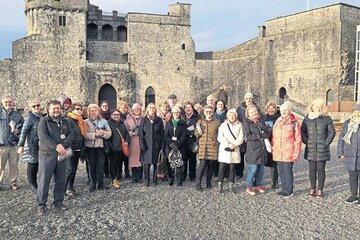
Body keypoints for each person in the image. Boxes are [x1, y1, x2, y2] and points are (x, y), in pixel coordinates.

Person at [36, 100, 74, 215]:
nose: (57, 110)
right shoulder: (43, 121)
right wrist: (57, 146)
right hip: (47, 155)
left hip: (62, 155)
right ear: (48, 110)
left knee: (60, 180)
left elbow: (71, 135)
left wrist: (63, 145)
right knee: (44, 181)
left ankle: (58, 202)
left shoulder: (65, 121)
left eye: (58, 108)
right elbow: (43, 137)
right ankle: (41, 205)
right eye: (54, 108)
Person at [301, 99, 335, 198]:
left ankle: (320, 189)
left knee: (321, 169)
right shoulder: (307, 118)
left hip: (322, 148)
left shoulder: (327, 118)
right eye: (316, 106)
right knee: (311, 170)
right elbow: (302, 131)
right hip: (310, 148)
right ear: (312, 106)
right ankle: (312, 188)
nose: (317, 108)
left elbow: (332, 132)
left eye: (320, 107)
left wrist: (326, 143)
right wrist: (306, 141)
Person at [272, 102, 302, 197]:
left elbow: (298, 139)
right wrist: (273, 147)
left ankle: (289, 190)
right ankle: (284, 188)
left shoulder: (294, 122)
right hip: (278, 150)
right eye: (282, 110)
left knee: (287, 170)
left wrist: (296, 153)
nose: (284, 112)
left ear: (289, 111)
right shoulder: (278, 121)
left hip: (289, 151)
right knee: (281, 170)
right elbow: (274, 136)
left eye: (285, 110)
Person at [243, 105, 270, 195]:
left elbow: (267, 131)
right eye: (252, 112)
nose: (254, 113)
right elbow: (248, 136)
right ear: (248, 114)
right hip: (253, 150)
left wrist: (263, 128)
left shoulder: (260, 120)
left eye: (255, 111)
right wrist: (260, 136)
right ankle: (249, 186)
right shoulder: (247, 123)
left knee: (261, 169)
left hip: (262, 149)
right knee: (253, 169)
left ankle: (258, 184)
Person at [85, 104, 112, 191]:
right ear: (88, 112)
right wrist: (95, 135)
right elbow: (84, 134)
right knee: (92, 165)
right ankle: (93, 183)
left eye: (95, 110)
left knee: (100, 165)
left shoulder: (104, 121)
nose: (94, 112)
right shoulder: (85, 122)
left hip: (101, 146)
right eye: (92, 111)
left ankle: (101, 183)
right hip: (91, 147)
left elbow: (109, 133)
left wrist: (103, 134)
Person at [337, 103, 360, 204]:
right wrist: (340, 152)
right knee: (352, 176)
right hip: (350, 154)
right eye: (355, 112)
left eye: (358, 112)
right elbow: (341, 139)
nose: (357, 114)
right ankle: (353, 195)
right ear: (352, 113)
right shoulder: (347, 123)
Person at [17, 99, 42, 191]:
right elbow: (23, 132)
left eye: (38, 105)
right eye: (34, 106)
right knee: (32, 163)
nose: (36, 107)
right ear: (30, 108)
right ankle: (32, 183)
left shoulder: (41, 117)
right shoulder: (29, 118)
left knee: (38, 163)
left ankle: (36, 181)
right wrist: (21, 145)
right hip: (32, 144)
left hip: (40, 145)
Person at [217, 109, 244, 193]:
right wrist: (228, 143)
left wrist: (234, 144)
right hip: (225, 148)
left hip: (234, 149)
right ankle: (220, 185)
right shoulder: (223, 125)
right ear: (228, 116)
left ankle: (231, 185)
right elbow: (220, 137)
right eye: (230, 115)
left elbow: (241, 137)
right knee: (222, 167)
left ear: (236, 116)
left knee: (232, 168)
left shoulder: (240, 125)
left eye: (233, 115)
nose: (232, 117)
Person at [194, 105, 221, 191]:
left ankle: (208, 182)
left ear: (213, 112)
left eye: (210, 111)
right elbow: (196, 135)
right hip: (203, 147)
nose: (208, 113)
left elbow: (220, 135)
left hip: (213, 147)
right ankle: (198, 184)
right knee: (202, 166)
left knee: (211, 167)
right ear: (204, 112)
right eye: (207, 112)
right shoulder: (200, 122)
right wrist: (199, 130)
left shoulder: (217, 122)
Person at [0, 96, 24, 191]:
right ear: (2, 102)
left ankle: (13, 182)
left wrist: (18, 131)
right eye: (6, 102)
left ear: (13, 103)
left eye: (10, 102)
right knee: (0, 166)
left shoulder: (18, 116)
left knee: (14, 165)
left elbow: (23, 129)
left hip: (14, 145)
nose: (8, 103)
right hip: (1, 145)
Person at [139, 103, 164, 186]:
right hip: (146, 145)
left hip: (156, 145)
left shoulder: (159, 120)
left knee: (156, 164)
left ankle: (154, 180)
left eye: (153, 108)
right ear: (147, 109)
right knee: (146, 165)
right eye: (150, 108)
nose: (152, 109)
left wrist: (162, 145)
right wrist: (142, 145)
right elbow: (141, 134)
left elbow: (162, 133)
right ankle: (146, 180)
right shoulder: (143, 120)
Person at [65, 103, 86, 196]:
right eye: (77, 109)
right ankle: (63, 190)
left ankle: (70, 187)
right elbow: (67, 134)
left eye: (80, 109)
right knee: (69, 170)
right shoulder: (69, 120)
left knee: (74, 169)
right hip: (71, 148)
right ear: (72, 110)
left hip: (78, 148)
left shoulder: (80, 121)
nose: (79, 110)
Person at [165, 105, 187, 186]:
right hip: (170, 146)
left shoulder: (183, 123)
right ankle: (171, 178)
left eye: (177, 112)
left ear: (179, 113)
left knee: (179, 163)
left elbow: (184, 135)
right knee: (170, 162)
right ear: (172, 113)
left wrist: (177, 145)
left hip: (180, 146)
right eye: (174, 112)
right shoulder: (168, 123)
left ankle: (179, 179)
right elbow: (166, 136)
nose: (176, 114)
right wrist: (171, 144)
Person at [108, 109, 130, 189]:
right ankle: (113, 180)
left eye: (118, 114)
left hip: (121, 148)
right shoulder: (109, 124)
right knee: (113, 165)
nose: (116, 116)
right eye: (115, 114)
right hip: (113, 148)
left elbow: (126, 134)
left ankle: (116, 179)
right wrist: (110, 146)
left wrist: (127, 141)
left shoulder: (121, 123)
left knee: (117, 165)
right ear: (111, 115)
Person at [263, 101, 281, 189]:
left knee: (273, 163)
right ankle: (258, 182)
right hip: (265, 141)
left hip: (274, 141)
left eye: (273, 108)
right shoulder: (263, 117)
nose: (271, 109)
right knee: (261, 162)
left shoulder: (278, 118)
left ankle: (275, 181)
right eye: (269, 108)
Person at [125, 103, 143, 183]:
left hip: (141, 141)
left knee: (141, 159)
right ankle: (134, 176)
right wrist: (129, 133)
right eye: (135, 109)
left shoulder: (143, 118)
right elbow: (125, 130)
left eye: (138, 109)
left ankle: (139, 177)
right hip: (132, 141)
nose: (136, 110)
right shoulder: (128, 118)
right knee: (133, 159)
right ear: (133, 110)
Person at [183, 101, 200, 182]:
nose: (188, 109)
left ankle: (192, 176)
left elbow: (197, 128)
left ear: (192, 108)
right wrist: (189, 129)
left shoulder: (197, 117)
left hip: (192, 141)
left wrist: (187, 129)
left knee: (192, 160)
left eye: (189, 107)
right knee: (184, 159)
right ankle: (183, 175)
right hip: (183, 142)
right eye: (186, 107)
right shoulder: (182, 117)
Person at [213, 100, 228, 179]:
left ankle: (225, 174)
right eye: (219, 104)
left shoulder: (228, 114)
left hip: (226, 138)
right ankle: (216, 174)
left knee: (226, 156)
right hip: (216, 138)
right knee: (216, 156)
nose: (220, 106)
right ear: (216, 105)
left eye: (222, 104)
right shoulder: (213, 115)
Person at [118, 101, 131, 179]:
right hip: (119, 139)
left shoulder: (129, 117)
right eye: (122, 107)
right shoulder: (117, 116)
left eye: (125, 107)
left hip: (127, 138)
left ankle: (127, 172)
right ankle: (119, 173)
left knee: (127, 157)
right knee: (119, 158)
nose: (123, 109)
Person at [99, 100, 111, 178]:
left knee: (108, 157)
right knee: (101, 157)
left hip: (109, 139)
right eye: (103, 106)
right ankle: (102, 172)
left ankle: (107, 172)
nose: (105, 107)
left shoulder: (111, 114)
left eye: (106, 106)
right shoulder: (99, 115)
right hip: (100, 139)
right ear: (100, 107)